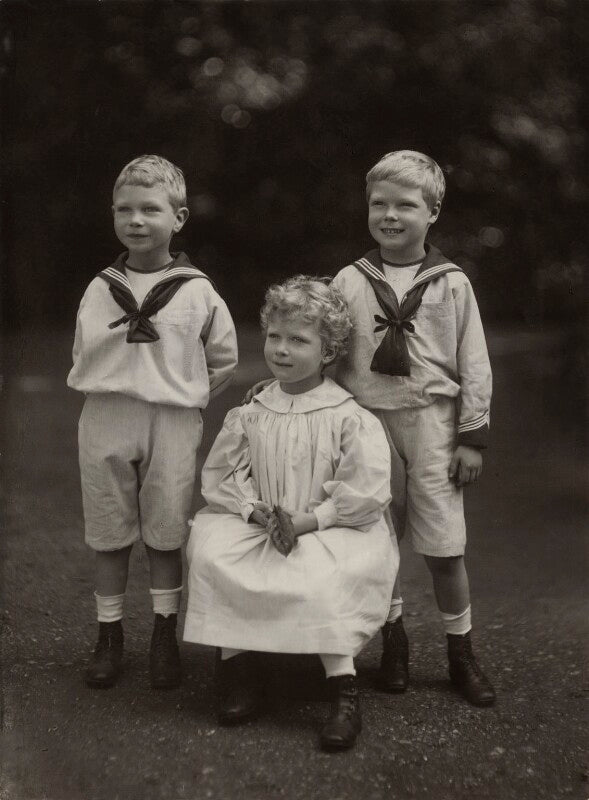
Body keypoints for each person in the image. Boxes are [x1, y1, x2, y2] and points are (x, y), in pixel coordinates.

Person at [183, 276, 398, 750]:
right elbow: (223, 474)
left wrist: (311, 520)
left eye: (298, 340)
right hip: (266, 520)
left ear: (327, 352)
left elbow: (367, 490)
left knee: (322, 572)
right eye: (274, 337)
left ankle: (343, 684)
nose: (281, 349)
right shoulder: (253, 409)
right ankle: (240, 669)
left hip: (328, 524)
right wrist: (253, 509)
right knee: (212, 549)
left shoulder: (346, 415)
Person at [331, 149, 496, 706]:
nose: (390, 215)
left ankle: (460, 652)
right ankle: (392, 641)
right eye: (379, 204)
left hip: (432, 421)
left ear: (434, 211)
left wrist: (471, 439)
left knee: (444, 543)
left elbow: (473, 362)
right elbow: (327, 349)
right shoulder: (351, 280)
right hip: (367, 420)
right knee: (377, 537)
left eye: (406, 205)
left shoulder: (451, 284)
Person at [67, 155, 238, 691]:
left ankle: (164, 634)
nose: (136, 221)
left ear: (179, 218)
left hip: (172, 419)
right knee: (109, 532)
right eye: (124, 210)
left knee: (166, 531)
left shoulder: (197, 289)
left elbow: (223, 357)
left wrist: (185, 398)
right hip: (107, 415)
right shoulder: (101, 287)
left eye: (150, 209)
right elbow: (82, 349)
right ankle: (109, 634)